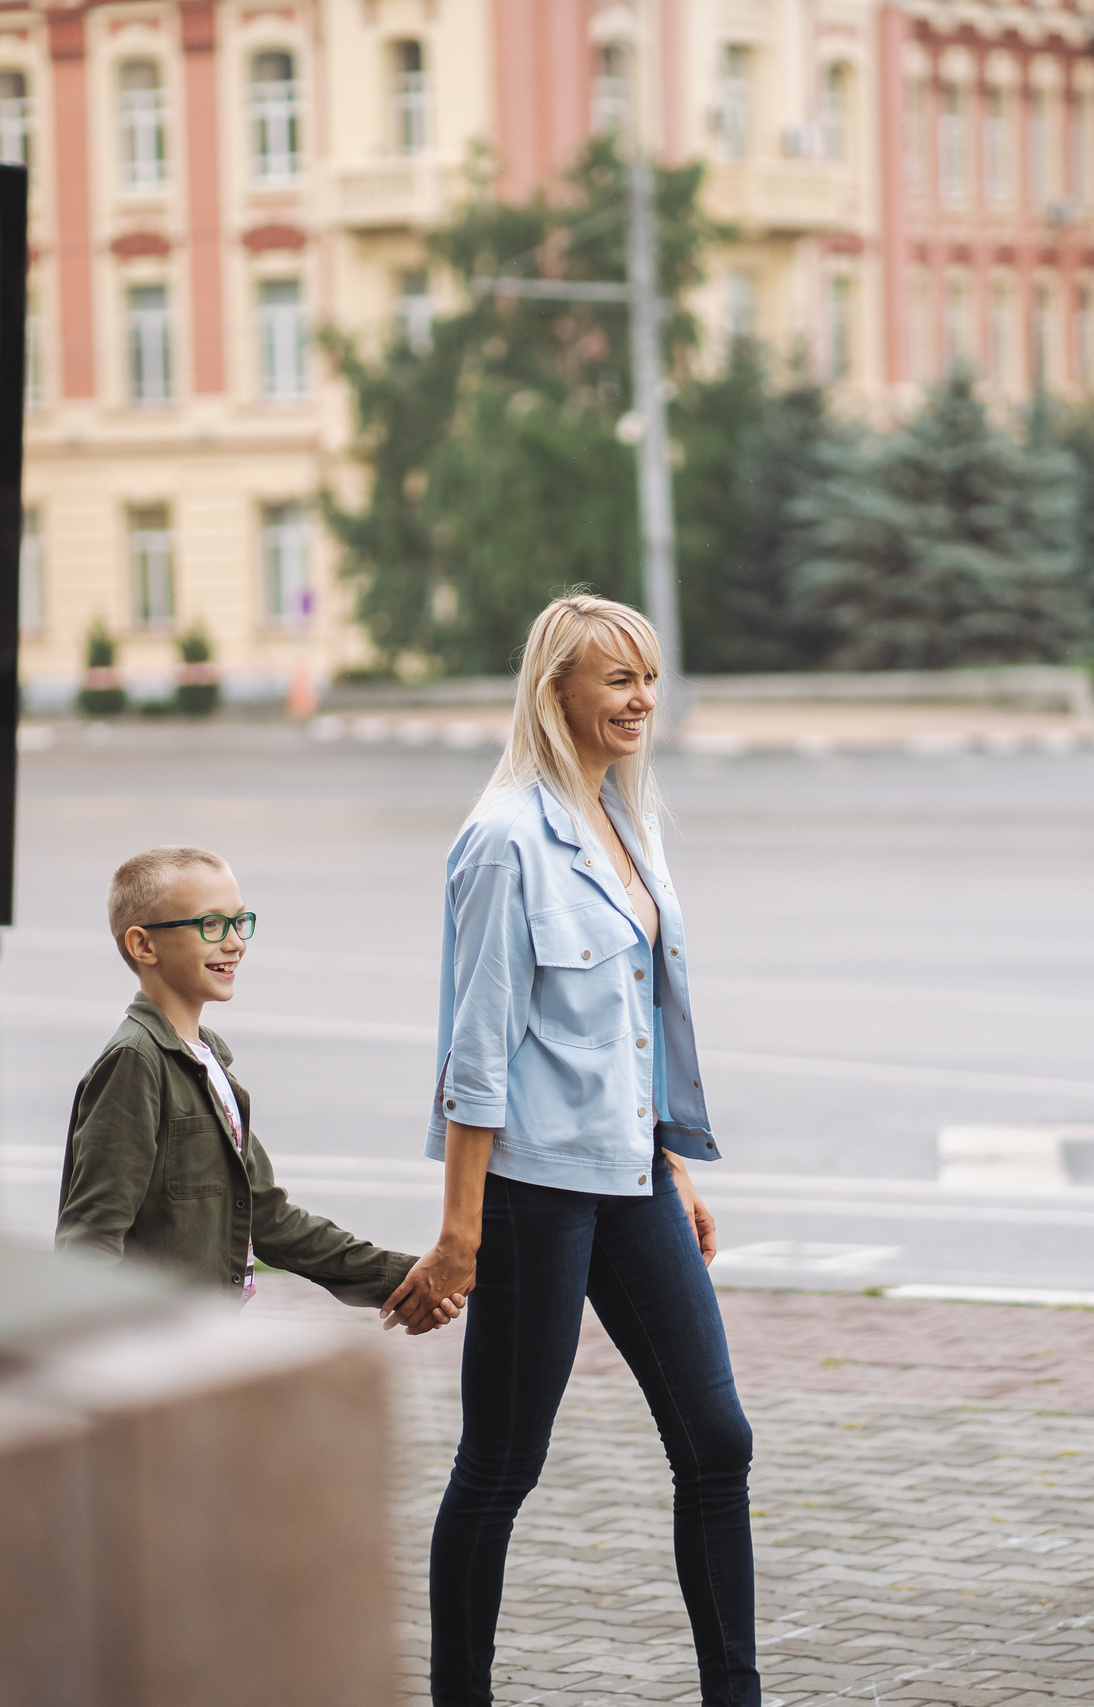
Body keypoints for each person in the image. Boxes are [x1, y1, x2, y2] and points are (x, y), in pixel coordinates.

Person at [382, 594, 756, 1706]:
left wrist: (669, 1161)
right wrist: (460, 1235)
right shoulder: (505, 840)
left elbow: (631, 1021)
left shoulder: (627, 818)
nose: (642, 701)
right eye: (619, 679)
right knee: (503, 1463)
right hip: (532, 1191)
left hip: (631, 1177)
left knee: (717, 1441)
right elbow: (477, 1051)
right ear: (558, 692)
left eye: (650, 678)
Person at [58, 845, 458, 1328]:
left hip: (204, 1338)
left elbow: (268, 1219)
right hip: (153, 1344)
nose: (235, 943)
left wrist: (401, 1279)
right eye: (210, 925)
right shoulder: (136, 1063)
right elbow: (90, 1240)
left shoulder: (206, 1060)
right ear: (144, 945)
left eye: (239, 921)